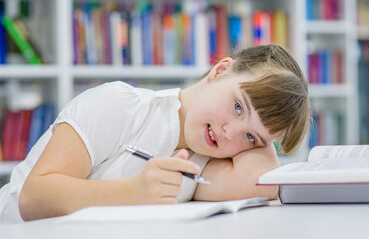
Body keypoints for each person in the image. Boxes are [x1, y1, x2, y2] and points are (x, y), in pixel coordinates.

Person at [0, 45, 310, 223]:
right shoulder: (122, 105)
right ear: (219, 71)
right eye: (238, 107)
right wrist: (134, 193)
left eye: (251, 139)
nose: (230, 134)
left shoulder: (206, 162)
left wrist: (268, 128)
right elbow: (33, 198)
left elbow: (264, 181)